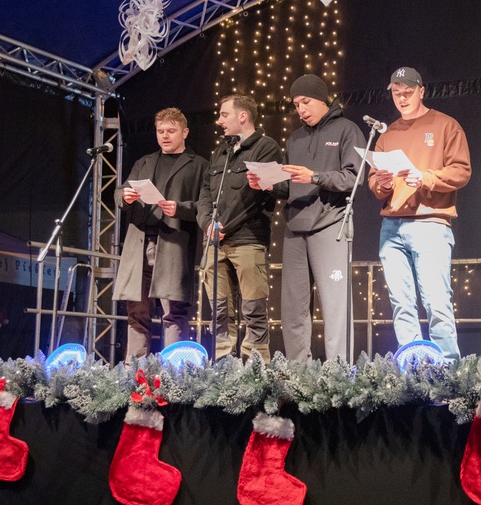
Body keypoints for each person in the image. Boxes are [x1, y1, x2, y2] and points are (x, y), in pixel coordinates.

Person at [248, 74, 365, 362]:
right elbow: (291, 184)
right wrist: (268, 182)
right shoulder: (296, 138)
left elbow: (355, 177)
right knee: (292, 307)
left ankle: (340, 373)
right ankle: (298, 373)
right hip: (295, 227)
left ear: (323, 99)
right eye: (296, 104)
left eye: (306, 102)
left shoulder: (347, 130)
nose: (300, 109)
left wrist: (315, 176)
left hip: (331, 224)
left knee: (335, 305)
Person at [367, 67, 471, 363]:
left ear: (421, 91)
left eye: (408, 93)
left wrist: (424, 177)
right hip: (392, 226)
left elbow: (461, 171)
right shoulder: (387, 134)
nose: (402, 98)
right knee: (401, 303)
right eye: (396, 94)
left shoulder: (445, 125)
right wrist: (381, 183)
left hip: (430, 222)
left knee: (436, 301)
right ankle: (413, 366)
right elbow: (374, 182)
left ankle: (448, 367)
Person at [113, 108, 209, 359]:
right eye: (160, 131)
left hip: (172, 244)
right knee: (136, 311)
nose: (165, 136)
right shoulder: (144, 162)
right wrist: (126, 196)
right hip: (139, 243)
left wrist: (181, 208)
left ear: (185, 132)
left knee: (173, 311)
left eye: (171, 131)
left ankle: (174, 373)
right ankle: (135, 372)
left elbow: (206, 206)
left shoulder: (198, 166)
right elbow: (119, 192)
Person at [197, 94, 282, 361]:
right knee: (220, 310)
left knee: (253, 308)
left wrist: (225, 225)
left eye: (224, 115)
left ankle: (256, 366)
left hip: (248, 239)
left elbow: (258, 197)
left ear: (242, 116)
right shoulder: (219, 152)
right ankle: (223, 364)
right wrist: (208, 224)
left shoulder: (266, 147)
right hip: (215, 242)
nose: (219, 120)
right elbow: (205, 194)